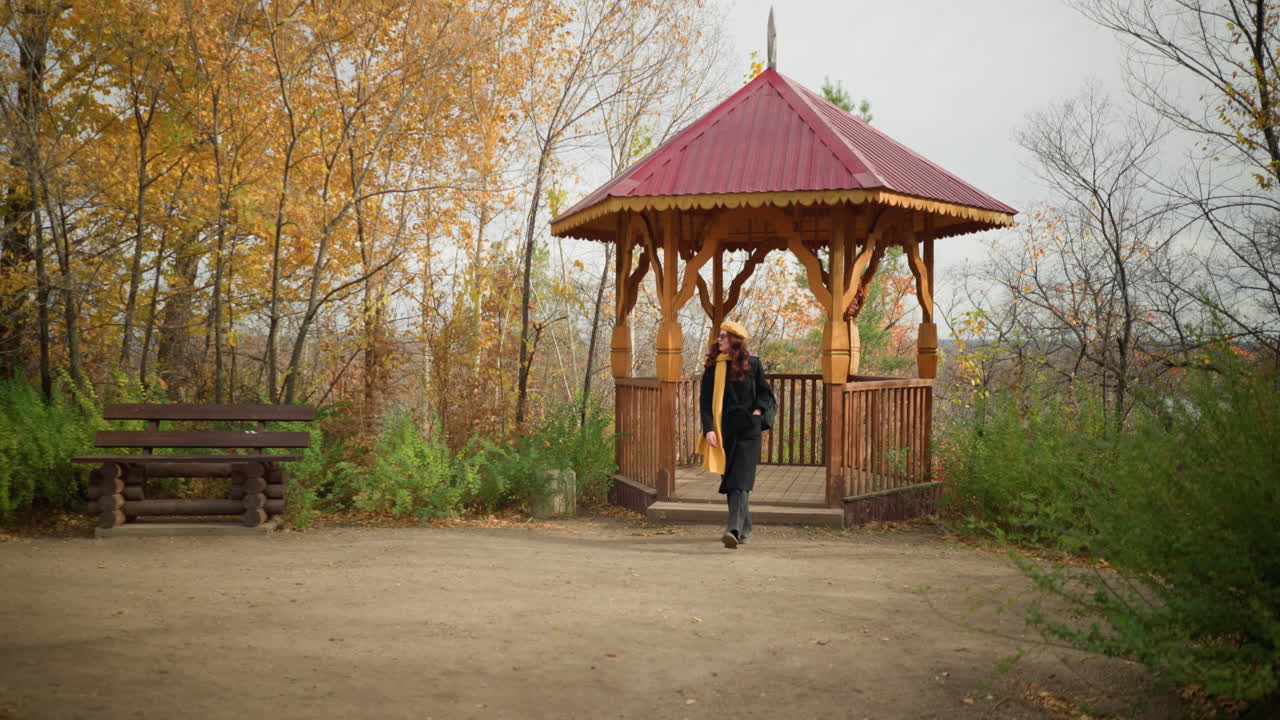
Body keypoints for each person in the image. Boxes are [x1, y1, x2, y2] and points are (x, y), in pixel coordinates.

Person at [697, 320, 776, 549]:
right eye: (718, 336)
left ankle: (732, 529)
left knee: (740, 482)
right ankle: (745, 528)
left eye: (722, 336)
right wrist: (709, 429)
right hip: (724, 432)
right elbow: (704, 402)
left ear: (734, 341)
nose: (718, 340)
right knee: (731, 482)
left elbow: (766, 394)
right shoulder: (712, 368)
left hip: (749, 431)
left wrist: (758, 411)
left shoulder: (753, 364)